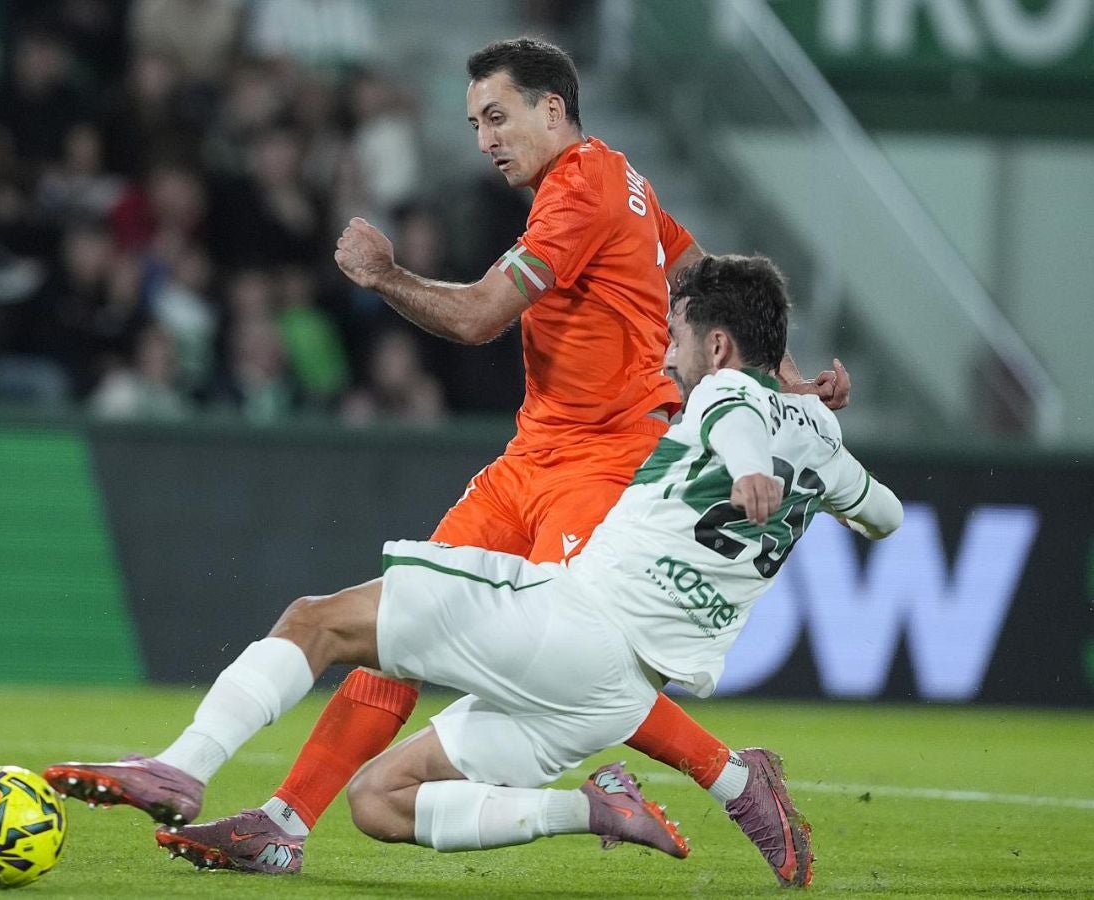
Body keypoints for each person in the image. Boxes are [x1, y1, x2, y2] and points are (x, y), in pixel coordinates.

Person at [44, 37, 850, 883]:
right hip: (529, 456)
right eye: (472, 123)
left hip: (605, 466)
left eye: (496, 117)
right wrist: (784, 372)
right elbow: (699, 271)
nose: (483, 139)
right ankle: (283, 821)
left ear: (552, 108)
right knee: (390, 630)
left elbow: (476, 318)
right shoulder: (619, 179)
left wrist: (384, 274)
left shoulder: (580, 185)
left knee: (585, 666)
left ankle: (729, 778)